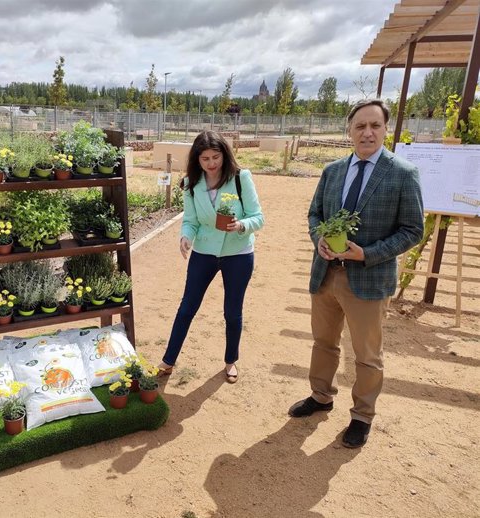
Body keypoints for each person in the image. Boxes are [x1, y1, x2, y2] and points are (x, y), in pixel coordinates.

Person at [288, 99, 424, 448]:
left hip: (369, 279)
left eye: (375, 126)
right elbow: (315, 214)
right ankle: (321, 396)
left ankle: (362, 415)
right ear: (349, 130)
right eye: (360, 126)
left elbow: (412, 230)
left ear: (384, 130)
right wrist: (319, 238)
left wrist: (368, 254)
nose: (367, 132)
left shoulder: (402, 173)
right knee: (323, 342)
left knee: (366, 354)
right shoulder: (333, 171)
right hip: (326, 275)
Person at [159, 130, 264, 383]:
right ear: (197, 160)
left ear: (224, 155)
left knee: (232, 311)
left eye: (215, 157)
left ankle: (230, 361)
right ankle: (168, 360)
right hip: (204, 252)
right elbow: (191, 220)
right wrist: (185, 236)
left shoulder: (241, 178)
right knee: (187, 307)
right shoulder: (191, 185)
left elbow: (258, 217)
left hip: (238, 253)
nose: (211, 164)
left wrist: (241, 225)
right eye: (204, 159)